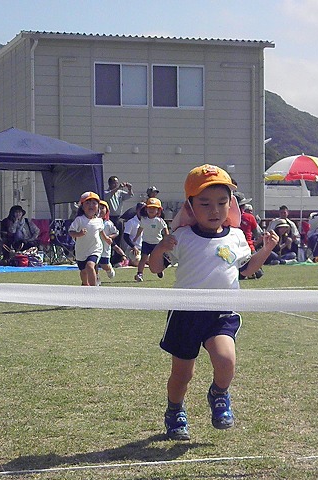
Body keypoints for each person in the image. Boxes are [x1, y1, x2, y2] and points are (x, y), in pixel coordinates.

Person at [147, 164, 278, 441]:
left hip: (221, 312)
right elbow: (155, 267)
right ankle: (175, 410)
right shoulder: (182, 237)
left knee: (226, 359)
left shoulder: (236, 236)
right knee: (182, 375)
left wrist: (266, 250)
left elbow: (246, 270)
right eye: (204, 203)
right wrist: (159, 249)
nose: (214, 210)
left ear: (231, 205)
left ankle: (219, 393)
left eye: (221, 202)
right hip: (185, 314)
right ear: (190, 206)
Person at [68, 192, 113, 286]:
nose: (91, 205)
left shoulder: (99, 221)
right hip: (81, 250)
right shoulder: (79, 220)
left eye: (94, 203)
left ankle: (93, 288)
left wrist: (106, 239)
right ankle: (85, 285)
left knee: (90, 266)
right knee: (83, 271)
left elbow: (101, 231)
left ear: (98, 207)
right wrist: (79, 234)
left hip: (95, 248)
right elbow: (71, 232)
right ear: (82, 207)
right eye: (87, 203)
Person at [133, 197, 169, 282]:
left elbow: (165, 229)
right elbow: (140, 229)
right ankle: (139, 274)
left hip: (157, 243)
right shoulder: (144, 219)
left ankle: (159, 270)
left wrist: (167, 238)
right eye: (149, 208)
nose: (151, 210)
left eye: (154, 208)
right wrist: (136, 237)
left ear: (158, 210)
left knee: (157, 259)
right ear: (146, 209)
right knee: (143, 258)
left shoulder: (159, 221)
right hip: (146, 242)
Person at [96, 200, 120, 283]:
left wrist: (109, 237)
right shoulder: (93, 222)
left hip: (105, 247)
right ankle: (96, 278)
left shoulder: (108, 223)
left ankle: (109, 269)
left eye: (102, 208)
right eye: (99, 208)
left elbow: (116, 232)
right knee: (94, 263)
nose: (100, 210)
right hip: (94, 246)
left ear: (107, 211)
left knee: (104, 264)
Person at [122, 202, 145, 267]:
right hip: (133, 249)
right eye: (141, 210)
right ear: (137, 210)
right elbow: (125, 236)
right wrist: (133, 246)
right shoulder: (131, 222)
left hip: (144, 249)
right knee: (137, 261)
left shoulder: (147, 221)